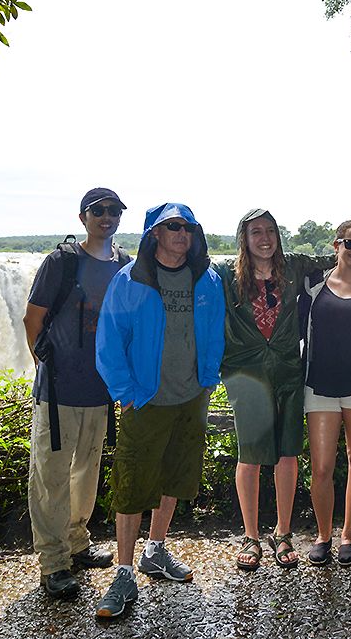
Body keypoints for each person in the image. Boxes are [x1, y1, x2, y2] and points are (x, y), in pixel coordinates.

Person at [93, 203, 225, 620]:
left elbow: (216, 330)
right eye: (173, 226)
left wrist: (208, 377)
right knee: (132, 484)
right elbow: (109, 338)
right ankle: (123, 572)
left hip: (191, 398)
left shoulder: (207, 279)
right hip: (145, 400)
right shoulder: (131, 279)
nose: (182, 233)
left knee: (174, 476)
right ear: (155, 233)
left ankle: (155, 550)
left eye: (188, 227)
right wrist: (124, 391)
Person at [212, 208, 334, 571]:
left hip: (286, 369)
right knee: (250, 455)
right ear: (244, 239)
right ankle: (251, 536)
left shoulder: (292, 266)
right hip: (245, 372)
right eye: (256, 232)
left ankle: (282, 531)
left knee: (287, 453)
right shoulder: (225, 273)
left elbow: (329, 260)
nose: (264, 238)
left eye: (270, 231)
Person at [22, 188, 127, 599]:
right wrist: (46, 369)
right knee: (50, 476)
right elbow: (33, 320)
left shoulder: (123, 264)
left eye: (113, 210)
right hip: (59, 389)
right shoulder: (61, 262)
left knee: (86, 472)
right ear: (83, 218)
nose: (106, 216)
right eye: (97, 210)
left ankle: (77, 542)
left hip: (99, 391)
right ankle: (53, 563)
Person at [299, 219, 351, 568]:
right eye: (350, 243)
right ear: (337, 246)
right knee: (321, 467)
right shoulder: (313, 285)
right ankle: (323, 536)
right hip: (319, 385)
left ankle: (348, 536)